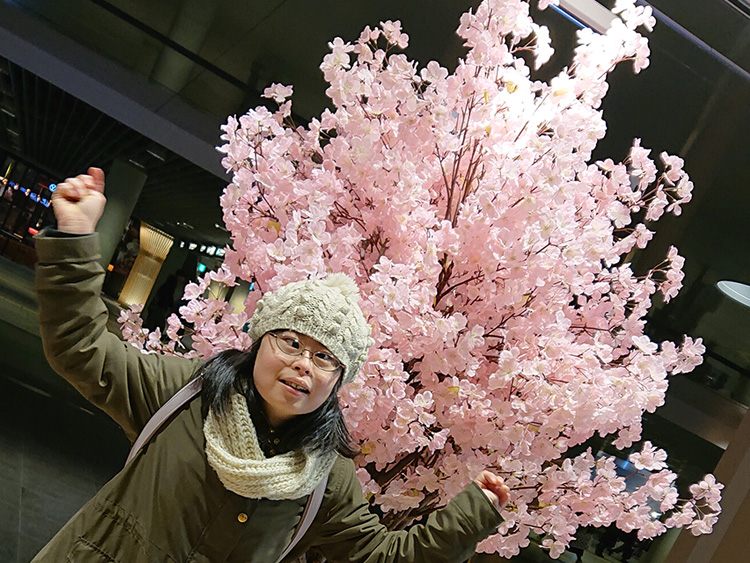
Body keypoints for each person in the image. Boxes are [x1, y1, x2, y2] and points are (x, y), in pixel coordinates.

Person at [32, 167, 510, 562]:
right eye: (290, 342)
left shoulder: (325, 476)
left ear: (339, 379)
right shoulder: (184, 394)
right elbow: (81, 348)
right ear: (259, 342)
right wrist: (74, 238)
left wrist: (473, 512)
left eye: (325, 357)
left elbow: (381, 557)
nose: (304, 364)